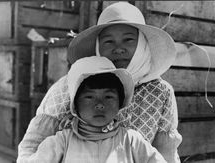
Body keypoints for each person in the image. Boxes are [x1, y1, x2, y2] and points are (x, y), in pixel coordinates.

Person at [17, 2, 182, 163]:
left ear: (143, 44)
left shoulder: (160, 92)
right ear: (97, 46)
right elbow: (33, 146)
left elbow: (165, 153)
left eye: (129, 40)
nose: (118, 48)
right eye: (108, 41)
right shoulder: (70, 85)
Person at [18, 56, 167, 163]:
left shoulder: (131, 140)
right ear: (75, 105)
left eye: (108, 97)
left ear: (120, 103)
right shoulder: (61, 142)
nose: (100, 104)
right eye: (89, 97)